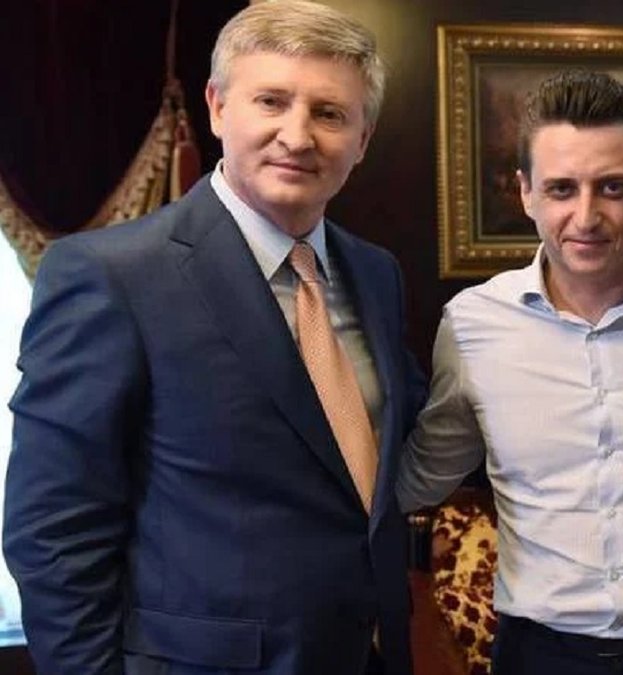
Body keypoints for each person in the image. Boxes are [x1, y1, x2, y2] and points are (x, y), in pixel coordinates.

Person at [3, 2, 426, 673]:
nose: (298, 136)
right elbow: (52, 530)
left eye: (329, 113)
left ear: (363, 138)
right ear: (218, 107)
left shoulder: (376, 273)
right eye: (271, 101)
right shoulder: (112, 275)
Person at [397, 70, 623, 674]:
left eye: (612, 187)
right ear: (526, 192)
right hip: (536, 653)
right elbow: (423, 473)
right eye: (562, 189)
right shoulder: (470, 325)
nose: (586, 216)